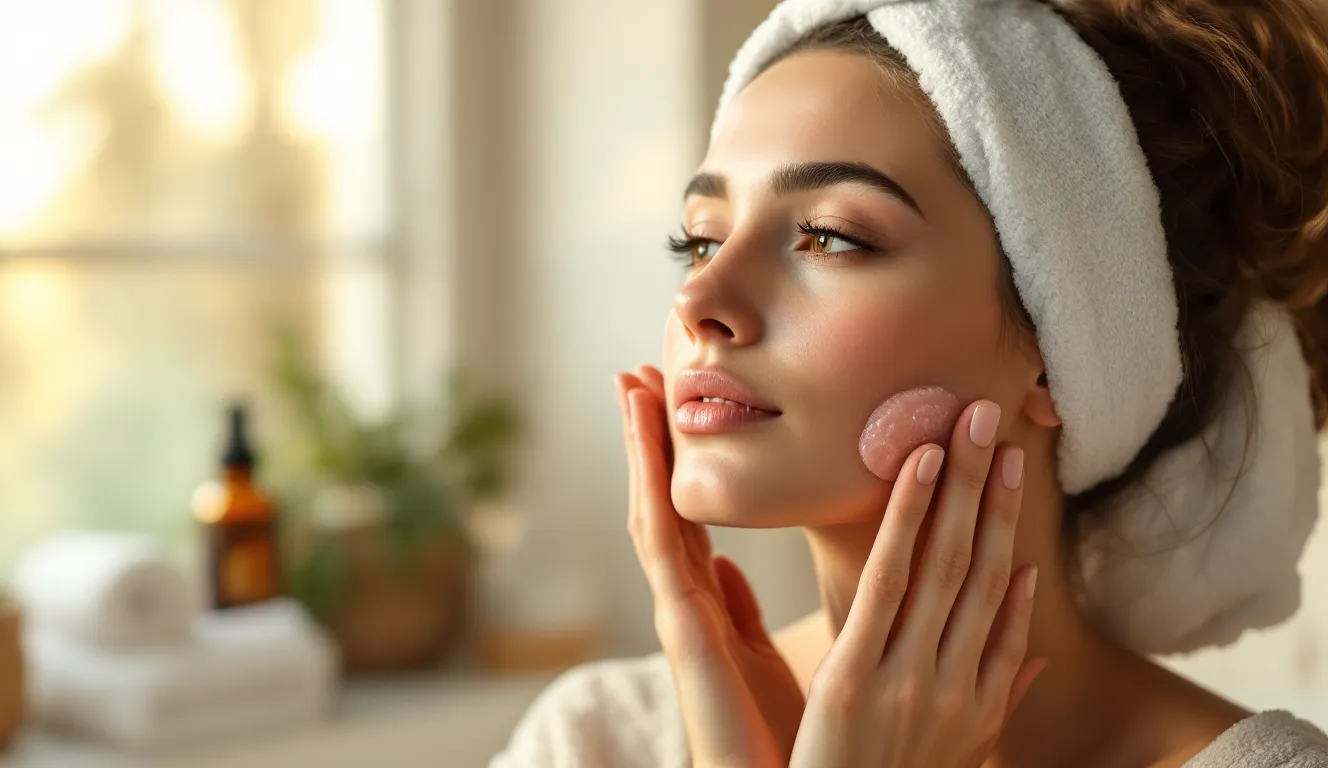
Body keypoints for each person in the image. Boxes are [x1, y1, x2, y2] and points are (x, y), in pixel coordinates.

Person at [491, 0, 1328, 765]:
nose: (699, 299)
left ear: (1060, 346)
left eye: (829, 236)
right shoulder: (593, 741)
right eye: (702, 240)